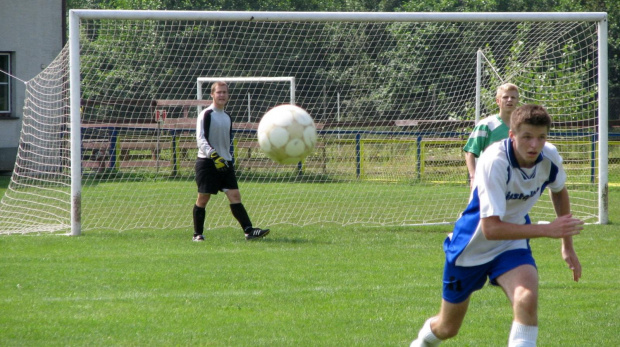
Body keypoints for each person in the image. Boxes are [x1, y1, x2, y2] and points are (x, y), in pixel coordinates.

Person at [410, 104, 583, 347]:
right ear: (512, 136)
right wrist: (546, 230)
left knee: (526, 298)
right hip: (471, 246)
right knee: (447, 328)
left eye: (541, 137)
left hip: (512, 243)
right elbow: (491, 229)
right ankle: (421, 343)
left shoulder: (550, 156)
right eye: (527, 137)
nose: (534, 145)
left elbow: (559, 190)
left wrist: (567, 246)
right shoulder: (494, 160)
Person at [192, 81, 270, 241]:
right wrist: (214, 155)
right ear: (212, 94)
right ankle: (197, 234)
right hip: (207, 162)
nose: (221, 95)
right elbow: (200, 139)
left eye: (224, 92)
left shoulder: (227, 116)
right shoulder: (206, 114)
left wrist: (226, 159)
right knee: (203, 198)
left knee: (235, 196)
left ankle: (249, 231)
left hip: (225, 163)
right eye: (218, 92)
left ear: (228, 96)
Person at [464, 83, 519, 189]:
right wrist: (473, 176)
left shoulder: (522, 126)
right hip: (488, 179)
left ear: (517, 101)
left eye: (513, 97)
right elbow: (470, 151)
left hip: (515, 181)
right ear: (498, 101)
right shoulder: (486, 125)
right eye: (505, 97)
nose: (509, 100)